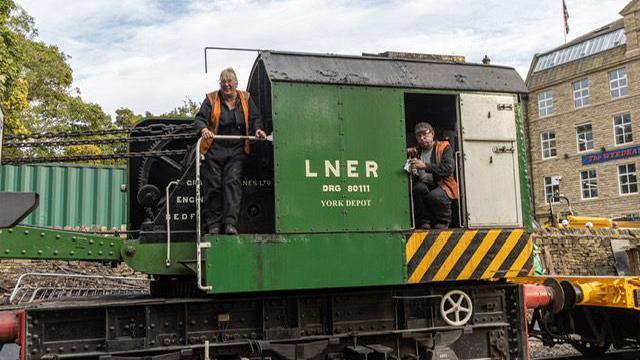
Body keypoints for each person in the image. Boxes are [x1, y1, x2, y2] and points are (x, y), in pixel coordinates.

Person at [194, 67, 267, 235]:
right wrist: (204, 129)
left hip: (236, 149)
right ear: (220, 84)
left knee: (232, 182)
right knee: (213, 185)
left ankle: (229, 224)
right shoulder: (211, 98)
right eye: (223, 82)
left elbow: (256, 119)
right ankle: (213, 225)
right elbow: (199, 119)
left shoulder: (246, 98)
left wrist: (258, 130)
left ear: (236, 83)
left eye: (229, 82)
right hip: (214, 148)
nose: (227, 85)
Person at [407, 122, 458, 229]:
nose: (422, 138)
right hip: (425, 183)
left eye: (425, 134)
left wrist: (425, 166)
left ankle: (443, 221)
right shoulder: (416, 151)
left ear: (432, 133)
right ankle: (425, 221)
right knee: (417, 189)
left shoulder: (444, 147)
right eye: (419, 136)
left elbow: (448, 169)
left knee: (435, 195)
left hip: (443, 184)